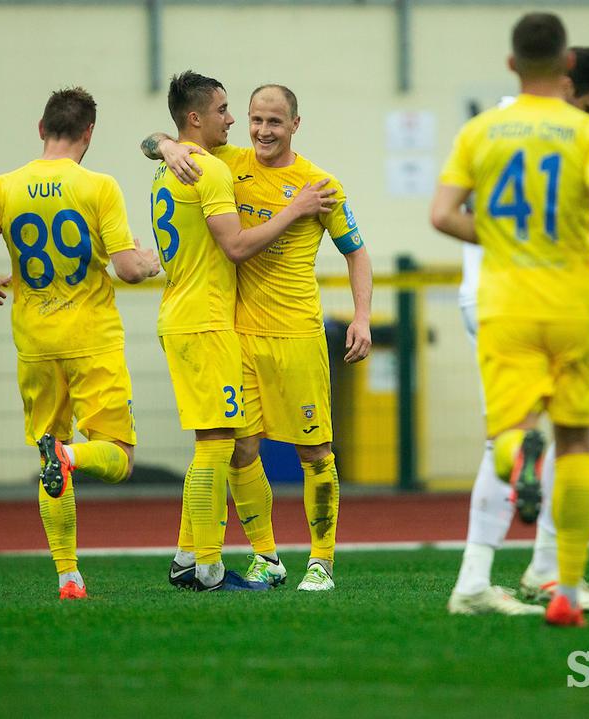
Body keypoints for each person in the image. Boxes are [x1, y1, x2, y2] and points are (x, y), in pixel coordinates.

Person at [430, 12, 589, 627]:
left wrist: (498, 236)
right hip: (568, 298)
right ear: (568, 68)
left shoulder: (484, 129)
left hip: (498, 300)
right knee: (578, 438)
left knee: (513, 437)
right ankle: (558, 585)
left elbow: (443, 213)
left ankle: (503, 560)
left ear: (512, 62)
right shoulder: (580, 133)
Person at [145, 84, 373, 592]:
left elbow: (356, 252)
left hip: (297, 336)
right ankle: (266, 557)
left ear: (295, 124)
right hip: (239, 334)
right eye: (254, 120)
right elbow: (166, 136)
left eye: (274, 122)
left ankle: (322, 561)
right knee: (240, 448)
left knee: (315, 453)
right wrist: (166, 144)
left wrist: (361, 316)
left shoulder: (320, 184)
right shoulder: (228, 161)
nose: (262, 131)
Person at [0, 87, 161, 600]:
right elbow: (130, 270)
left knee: (49, 454)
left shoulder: (3, 187)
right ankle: (69, 455)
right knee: (116, 456)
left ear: (40, 128)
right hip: (91, 339)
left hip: (35, 343)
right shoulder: (98, 187)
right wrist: (153, 259)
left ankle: (69, 577)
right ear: (88, 133)